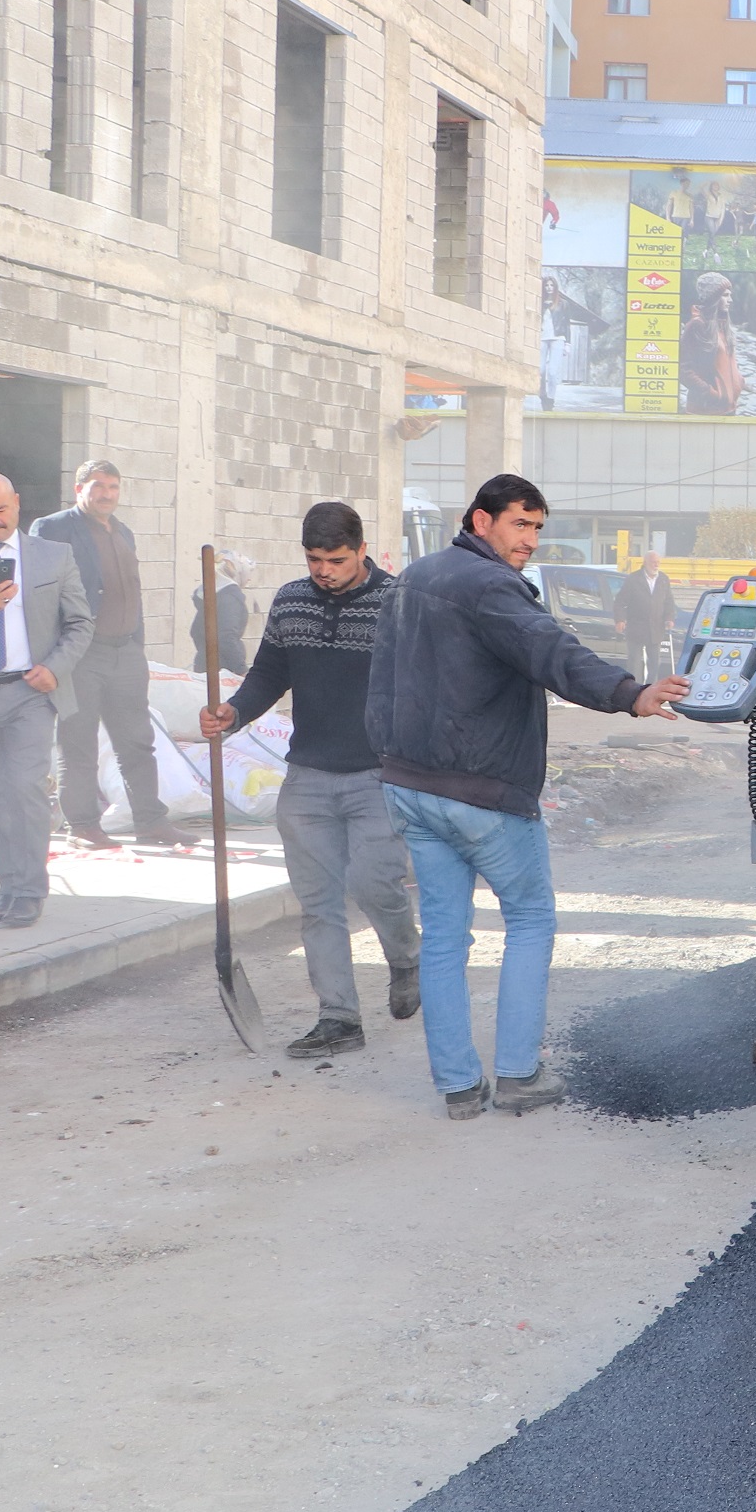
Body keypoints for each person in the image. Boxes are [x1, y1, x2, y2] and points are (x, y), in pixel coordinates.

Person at [365, 474, 691, 1119]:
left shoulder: (415, 577)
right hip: (480, 787)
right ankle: (517, 1075)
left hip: (409, 784)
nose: (531, 540)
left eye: (539, 527)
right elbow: (552, 650)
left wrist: (386, 757)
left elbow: (380, 676)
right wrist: (630, 693)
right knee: (531, 919)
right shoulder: (488, 586)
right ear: (480, 521)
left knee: (444, 939)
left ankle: (458, 1087)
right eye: (520, 524)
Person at [200, 503, 422, 1059]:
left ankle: (405, 958)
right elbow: (271, 672)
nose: (324, 569)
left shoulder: (397, 603)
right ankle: (339, 1017)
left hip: (378, 775)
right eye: (315, 558)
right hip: (307, 778)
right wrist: (234, 712)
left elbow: (423, 684)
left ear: (361, 550)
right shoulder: (291, 600)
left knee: (376, 884)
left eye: (337, 559)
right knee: (318, 902)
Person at [33, 459, 188, 851]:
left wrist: (137, 643)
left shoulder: (124, 532)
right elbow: (39, 594)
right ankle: (83, 825)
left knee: (137, 741)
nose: (106, 494)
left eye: (113, 487)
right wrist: (52, 656)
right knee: (79, 742)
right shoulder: (53, 528)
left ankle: (150, 822)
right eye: (98, 486)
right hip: (81, 654)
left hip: (126, 653)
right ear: (79, 489)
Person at [0, 473, 90, 927]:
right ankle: (9, 888)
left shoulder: (54, 556)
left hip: (29, 692)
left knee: (24, 786)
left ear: (17, 504)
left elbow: (80, 623)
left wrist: (54, 668)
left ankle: (30, 890)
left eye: (0, 510)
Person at [681, 274, 744, 415]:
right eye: (725, 295)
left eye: (730, 295)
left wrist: (739, 382)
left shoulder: (723, 325)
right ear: (714, 298)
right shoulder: (697, 325)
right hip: (703, 410)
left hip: (728, 409)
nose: (730, 300)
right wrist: (711, 393)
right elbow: (683, 370)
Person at [617, 550, 678, 681]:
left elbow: (669, 601)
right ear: (645, 563)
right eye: (653, 562)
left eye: (658, 562)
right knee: (635, 664)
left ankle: (650, 690)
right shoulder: (633, 579)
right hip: (636, 628)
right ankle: (634, 689)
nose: (656, 565)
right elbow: (620, 601)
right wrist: (620, 620)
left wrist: (669, 618)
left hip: (656, 629)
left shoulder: (663, 579)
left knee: (655, 664)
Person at [190, 551, 253, 675]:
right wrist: (241, 670)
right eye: (247, 573)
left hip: (205, 666)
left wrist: (205, 652)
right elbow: (226, 636)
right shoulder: (230, 598)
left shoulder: (214, 596)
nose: (249, 578)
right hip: (224, 671)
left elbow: (195, 631)